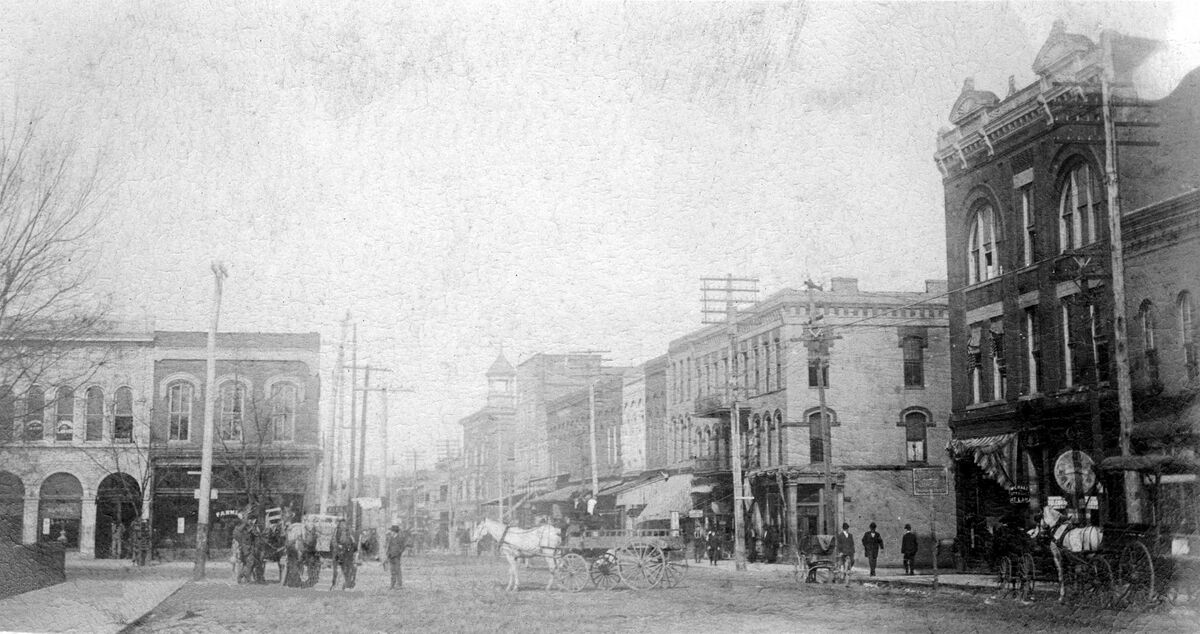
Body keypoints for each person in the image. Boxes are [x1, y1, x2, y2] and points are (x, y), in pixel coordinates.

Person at [385, 525, 409, 589]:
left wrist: (399, 553)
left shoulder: (400, 539)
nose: (391, 532)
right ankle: (392, 584)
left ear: (395, 532)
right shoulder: (390, 538)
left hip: (396, 557)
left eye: (392, 531)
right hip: (391, 557)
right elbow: (388, 547)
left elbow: (403, 547)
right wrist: (387, 555)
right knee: (392, 571)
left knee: (398, 571)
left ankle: (399, 585)